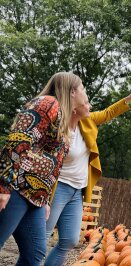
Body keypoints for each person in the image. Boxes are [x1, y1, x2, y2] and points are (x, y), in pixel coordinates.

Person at [44, 86, 131, 265]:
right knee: (41, 237)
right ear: (74, 106)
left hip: (77, 191)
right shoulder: (58, 125)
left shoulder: (87, 121)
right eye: (87, 103)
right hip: (59, 187)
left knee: (70, 240)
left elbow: (108, 113)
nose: (90, 107)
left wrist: (130, 98)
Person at [0, 72, 88, 266]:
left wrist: (46, 199)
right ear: (72, 91)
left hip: (37, 198)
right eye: (82, 88)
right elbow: (18, 139)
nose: (85, 92)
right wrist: (3, 186)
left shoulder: (64, 120)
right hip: (17, 188)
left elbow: (55, 165)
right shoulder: (48, 103)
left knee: (35, 254)